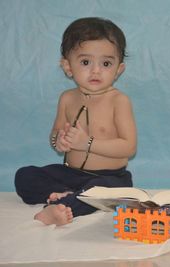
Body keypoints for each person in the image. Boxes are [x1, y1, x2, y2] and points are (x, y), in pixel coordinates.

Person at [14, 17, 137, 226]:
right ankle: (57, 195)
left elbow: (129, 147)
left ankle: (65, 206)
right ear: (67, 66)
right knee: (24, 175)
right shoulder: (67, 98)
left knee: (100, 193)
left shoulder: (119, 101)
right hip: (71, 173)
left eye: (106, 63)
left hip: (110, 177)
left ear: (119, 69)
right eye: (85, 62)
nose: (96, 70)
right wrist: (59, 141)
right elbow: (55, 135)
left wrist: (86, 143)